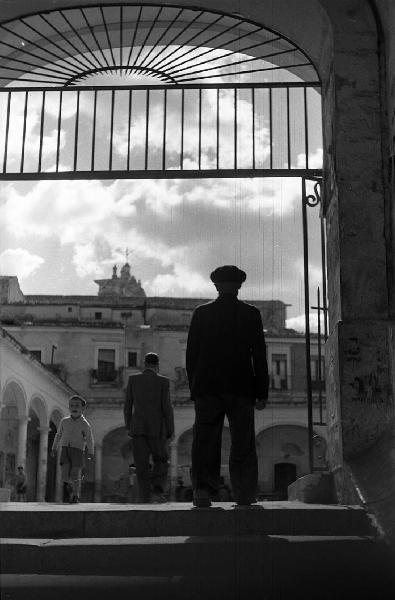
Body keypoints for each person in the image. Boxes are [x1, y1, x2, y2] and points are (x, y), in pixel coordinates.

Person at [186, 265, 269, 508]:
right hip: (242, 387)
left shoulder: (201, 313)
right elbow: (259, 355)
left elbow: (192, 355)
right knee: (243, 441)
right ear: (239, 286)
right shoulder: (251, 314)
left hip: (207, 388)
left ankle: (202, 490)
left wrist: (194, 387)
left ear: (215, 285)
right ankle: (244, 492)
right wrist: (261, 391)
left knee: (204, 441)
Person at [124, 352, 174, 503]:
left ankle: (144, 498)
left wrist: (128, 426)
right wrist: (170, 429)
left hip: (138, 428)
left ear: (144, 364)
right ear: (157, 365)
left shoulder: (133, 380)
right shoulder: (163, 382)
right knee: (161, 459)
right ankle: (158, 489)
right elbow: (167, 408)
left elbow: (127, 406)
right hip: (157, 428)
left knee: (141, 465)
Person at [51, 395, 94, 504]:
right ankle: (69, 486)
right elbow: (58, 434)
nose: (74, 408)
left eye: (77, 406)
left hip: (78, 451)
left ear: (83, 409)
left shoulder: (85, 424)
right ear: (69, 407)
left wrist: (91, 452)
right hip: (65, 449)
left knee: (75, 473)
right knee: (65, 474)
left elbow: (89, 439)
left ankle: (75, 495)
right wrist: (54, 447)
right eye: (71, 405)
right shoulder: (64, 421)